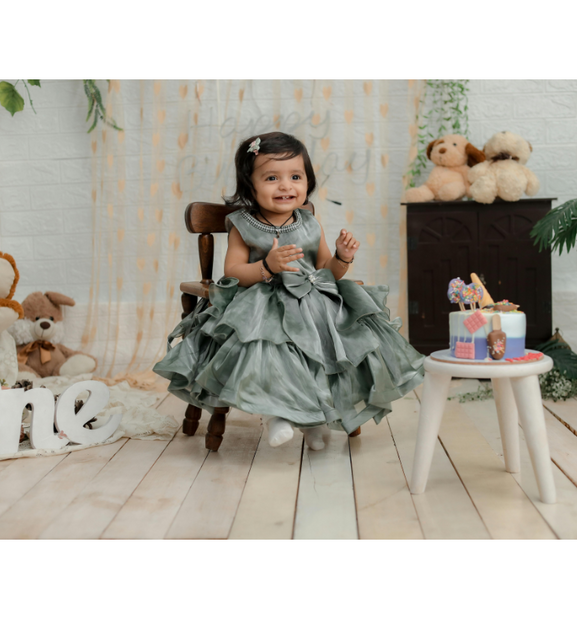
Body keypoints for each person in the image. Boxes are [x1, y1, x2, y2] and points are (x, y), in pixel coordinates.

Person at [153, 132, 424, 450]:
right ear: (250, 185)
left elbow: (327, 273)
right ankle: (278, 415)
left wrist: (342, 257)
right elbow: (233, 272)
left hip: (311, 299)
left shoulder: (310, 223)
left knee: (329, 343)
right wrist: (267, 266)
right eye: (271, 177)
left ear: (307, 182)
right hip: (263, 298)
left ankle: (315, 419)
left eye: (296, 176)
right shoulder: (243, 224)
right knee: (274, 349)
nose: (285, 185)